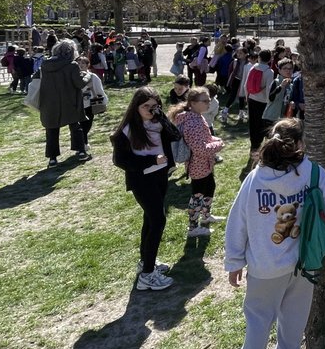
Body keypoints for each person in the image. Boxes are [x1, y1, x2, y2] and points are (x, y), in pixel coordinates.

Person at [225, 118, 325, 349]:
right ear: (301, 143)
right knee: (293, 322)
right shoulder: (315, 174)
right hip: (305, 265)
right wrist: (318, 247)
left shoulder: (255, 179)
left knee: (258, 324)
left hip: (264, 268)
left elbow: (238, 222)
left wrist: (235, 261)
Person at [111, 87, 181, 291]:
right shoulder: (128, 129)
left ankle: (145, 262)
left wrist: (163, 118)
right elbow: (120, 160)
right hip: (142, 179)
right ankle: (148, 275)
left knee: (149, 219)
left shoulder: (158, 123)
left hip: (160, 175)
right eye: (146, 106)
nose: (151, 110)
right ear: (136, 107)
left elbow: (175, 136)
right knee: (158, 220)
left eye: (155, 106)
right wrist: (151, 160)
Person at [169, 88, 226, 237]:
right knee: (197, 195)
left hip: (204, 163)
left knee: (209, 187)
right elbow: (200, 149)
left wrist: (215, 140)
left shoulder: (197, 116)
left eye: (209, 99)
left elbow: (204, 140)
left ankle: (206, 216)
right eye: (205, 101)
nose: (209, 103)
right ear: (193, 103)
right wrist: (219, 144)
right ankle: (193, 228)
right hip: (198, 165)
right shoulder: (192, 122)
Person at [38, 40, 88, 166]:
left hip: (50, 101)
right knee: (75, 126)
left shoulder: (45, 65)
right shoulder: (72, 65)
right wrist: (86, 76)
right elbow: (79, 83)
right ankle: (81, 151)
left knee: (52, 129)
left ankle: (52, 158)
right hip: (69, 100)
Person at [244, 50, 276, 155]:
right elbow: (268, 89)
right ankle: (264, 146)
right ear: (270, 59)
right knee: (263, 124)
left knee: (253, 124)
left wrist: (247, 98)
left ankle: (254, 146)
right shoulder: (269, 72)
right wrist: (269, 102)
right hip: (263, 102)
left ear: (259, 57)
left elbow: (246, 85)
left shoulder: (253, 68)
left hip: (252, 99)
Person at [77, 54, 107, 153]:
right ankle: (83, 143)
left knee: (88, 124)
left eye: (83, 63)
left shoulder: (93, 76)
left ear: (87, 65)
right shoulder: (74, 77)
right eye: (79, 63)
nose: (81, 65)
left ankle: (83, 142)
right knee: (80, 125)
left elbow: (99, 89)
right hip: (78, 104)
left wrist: (104, 100)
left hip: (90, 103)